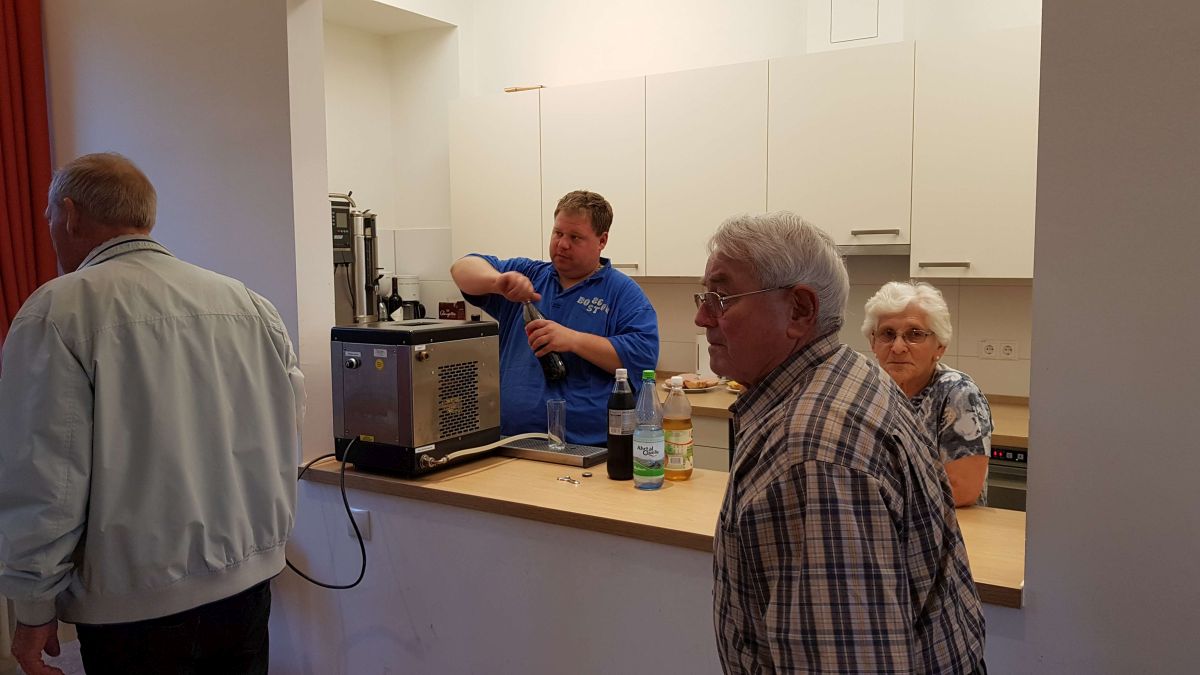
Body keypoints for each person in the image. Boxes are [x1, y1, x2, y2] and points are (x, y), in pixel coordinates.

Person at [0, 153, 305, 675]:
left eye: (50, 216)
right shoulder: (247, 302)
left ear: (69, 214)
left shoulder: (59, 311)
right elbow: (285, 423)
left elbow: (47, 475)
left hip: (134, 606)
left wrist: (32, 604)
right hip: (248, 585)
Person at [698, 212, 985, 674]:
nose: (702, 316)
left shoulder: (813, 451)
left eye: (721, 297)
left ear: (799, 310)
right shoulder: (845, 372)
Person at [451, 190, 658, 445]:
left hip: (586, 448)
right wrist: (497, 282)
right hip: (511, 441)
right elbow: (462, 267)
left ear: (602, 240)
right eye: (558, 233)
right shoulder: (528, 275)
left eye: (575, 237)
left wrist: (573, 340)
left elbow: (642, 359)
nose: (562, 244)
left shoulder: (623, 294)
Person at [863, 281, 995, 507]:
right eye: (887, 334)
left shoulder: (958, 394)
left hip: (945, 524)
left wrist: (875, 500)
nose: (897, 347)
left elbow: (962, 490)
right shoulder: (868, 390)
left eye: (914, 334)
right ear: (873, 343)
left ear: (940, 346)